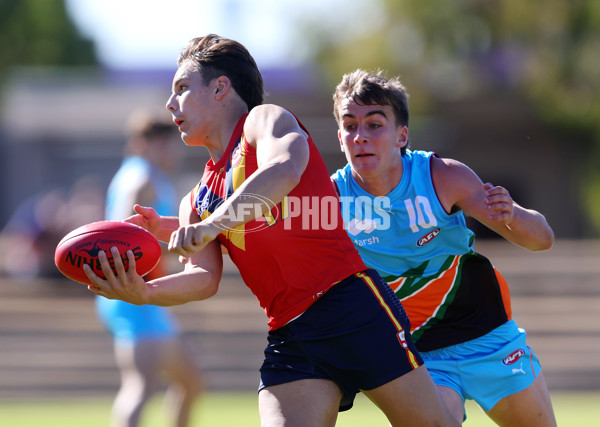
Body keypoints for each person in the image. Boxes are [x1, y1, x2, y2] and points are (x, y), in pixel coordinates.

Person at [84, 35, 459, 426]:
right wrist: (144, 292)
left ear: (219, 87)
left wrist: (212, 225)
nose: (170, 103)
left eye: (181, 88)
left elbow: (283, 170)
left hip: (350, 307)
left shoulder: (264, 121)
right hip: (290, 333)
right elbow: (203, 278)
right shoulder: (195, 199)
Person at [330, 69, 557, 426]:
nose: (360, 137)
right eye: (350, 125)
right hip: (419, 355)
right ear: (339, 136)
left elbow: (542, 240)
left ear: (402, 135)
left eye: (375, 125)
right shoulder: (330, 201)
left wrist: (513, 214)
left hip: (490, 338)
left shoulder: (442, 177)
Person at [95, 110, 202, 427]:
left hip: (142, 296)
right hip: (134, 295)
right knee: (140, 387)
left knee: (191, 380)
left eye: (172, 143)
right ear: (141, 144)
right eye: (162, 144)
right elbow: (125, 232)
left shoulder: (139, 173)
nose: (171, 150)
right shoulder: (143, 180)